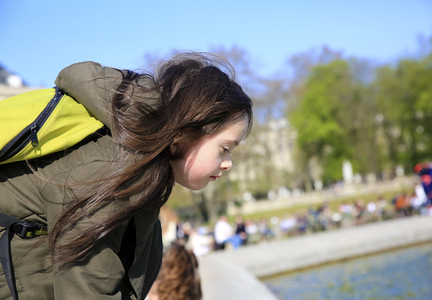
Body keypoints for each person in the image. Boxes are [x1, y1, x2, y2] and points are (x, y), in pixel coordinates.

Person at [0, 52, 253, 299]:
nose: (228, 164)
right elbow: (88, 285)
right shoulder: (114, 170)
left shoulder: (144, 166)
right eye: (225, 149)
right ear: (183, 133)